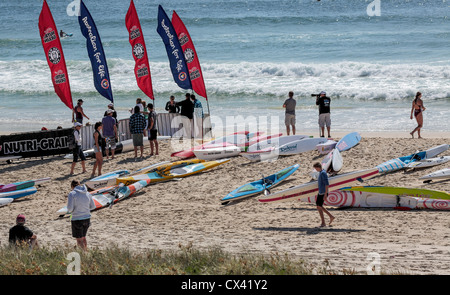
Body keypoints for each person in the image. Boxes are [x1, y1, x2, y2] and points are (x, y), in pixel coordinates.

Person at [67, 180, 96, 251]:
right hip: (87, 218)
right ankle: (86, 251)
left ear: (72, 186)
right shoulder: (87, 193)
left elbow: (70, 209)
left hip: (77, 219)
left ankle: (83, 255)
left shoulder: (72, 194)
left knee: (79, 240)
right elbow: (93, 207)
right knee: (83, 237)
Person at [313, 162, 335, 227]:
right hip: (321, 192)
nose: (315, 169)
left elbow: (327, 184)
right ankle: (330, 217)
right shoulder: (321, 172)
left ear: (318, 167)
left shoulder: (323, 173)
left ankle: (324, 222)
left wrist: (325, 194)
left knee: (319, 206)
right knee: (319, 206)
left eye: (315, 168)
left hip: (323, 193)